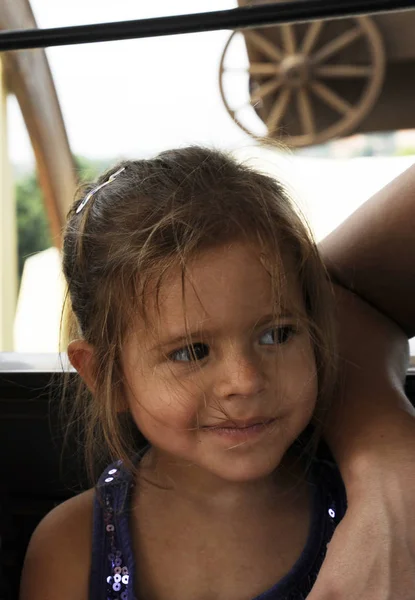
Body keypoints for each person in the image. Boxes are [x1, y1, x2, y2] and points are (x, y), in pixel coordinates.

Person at [19, 147, 414, 600]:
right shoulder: (69, 549)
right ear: (106, 376)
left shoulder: (380, 528)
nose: (245, 381)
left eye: (277, 335)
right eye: (192, 351)